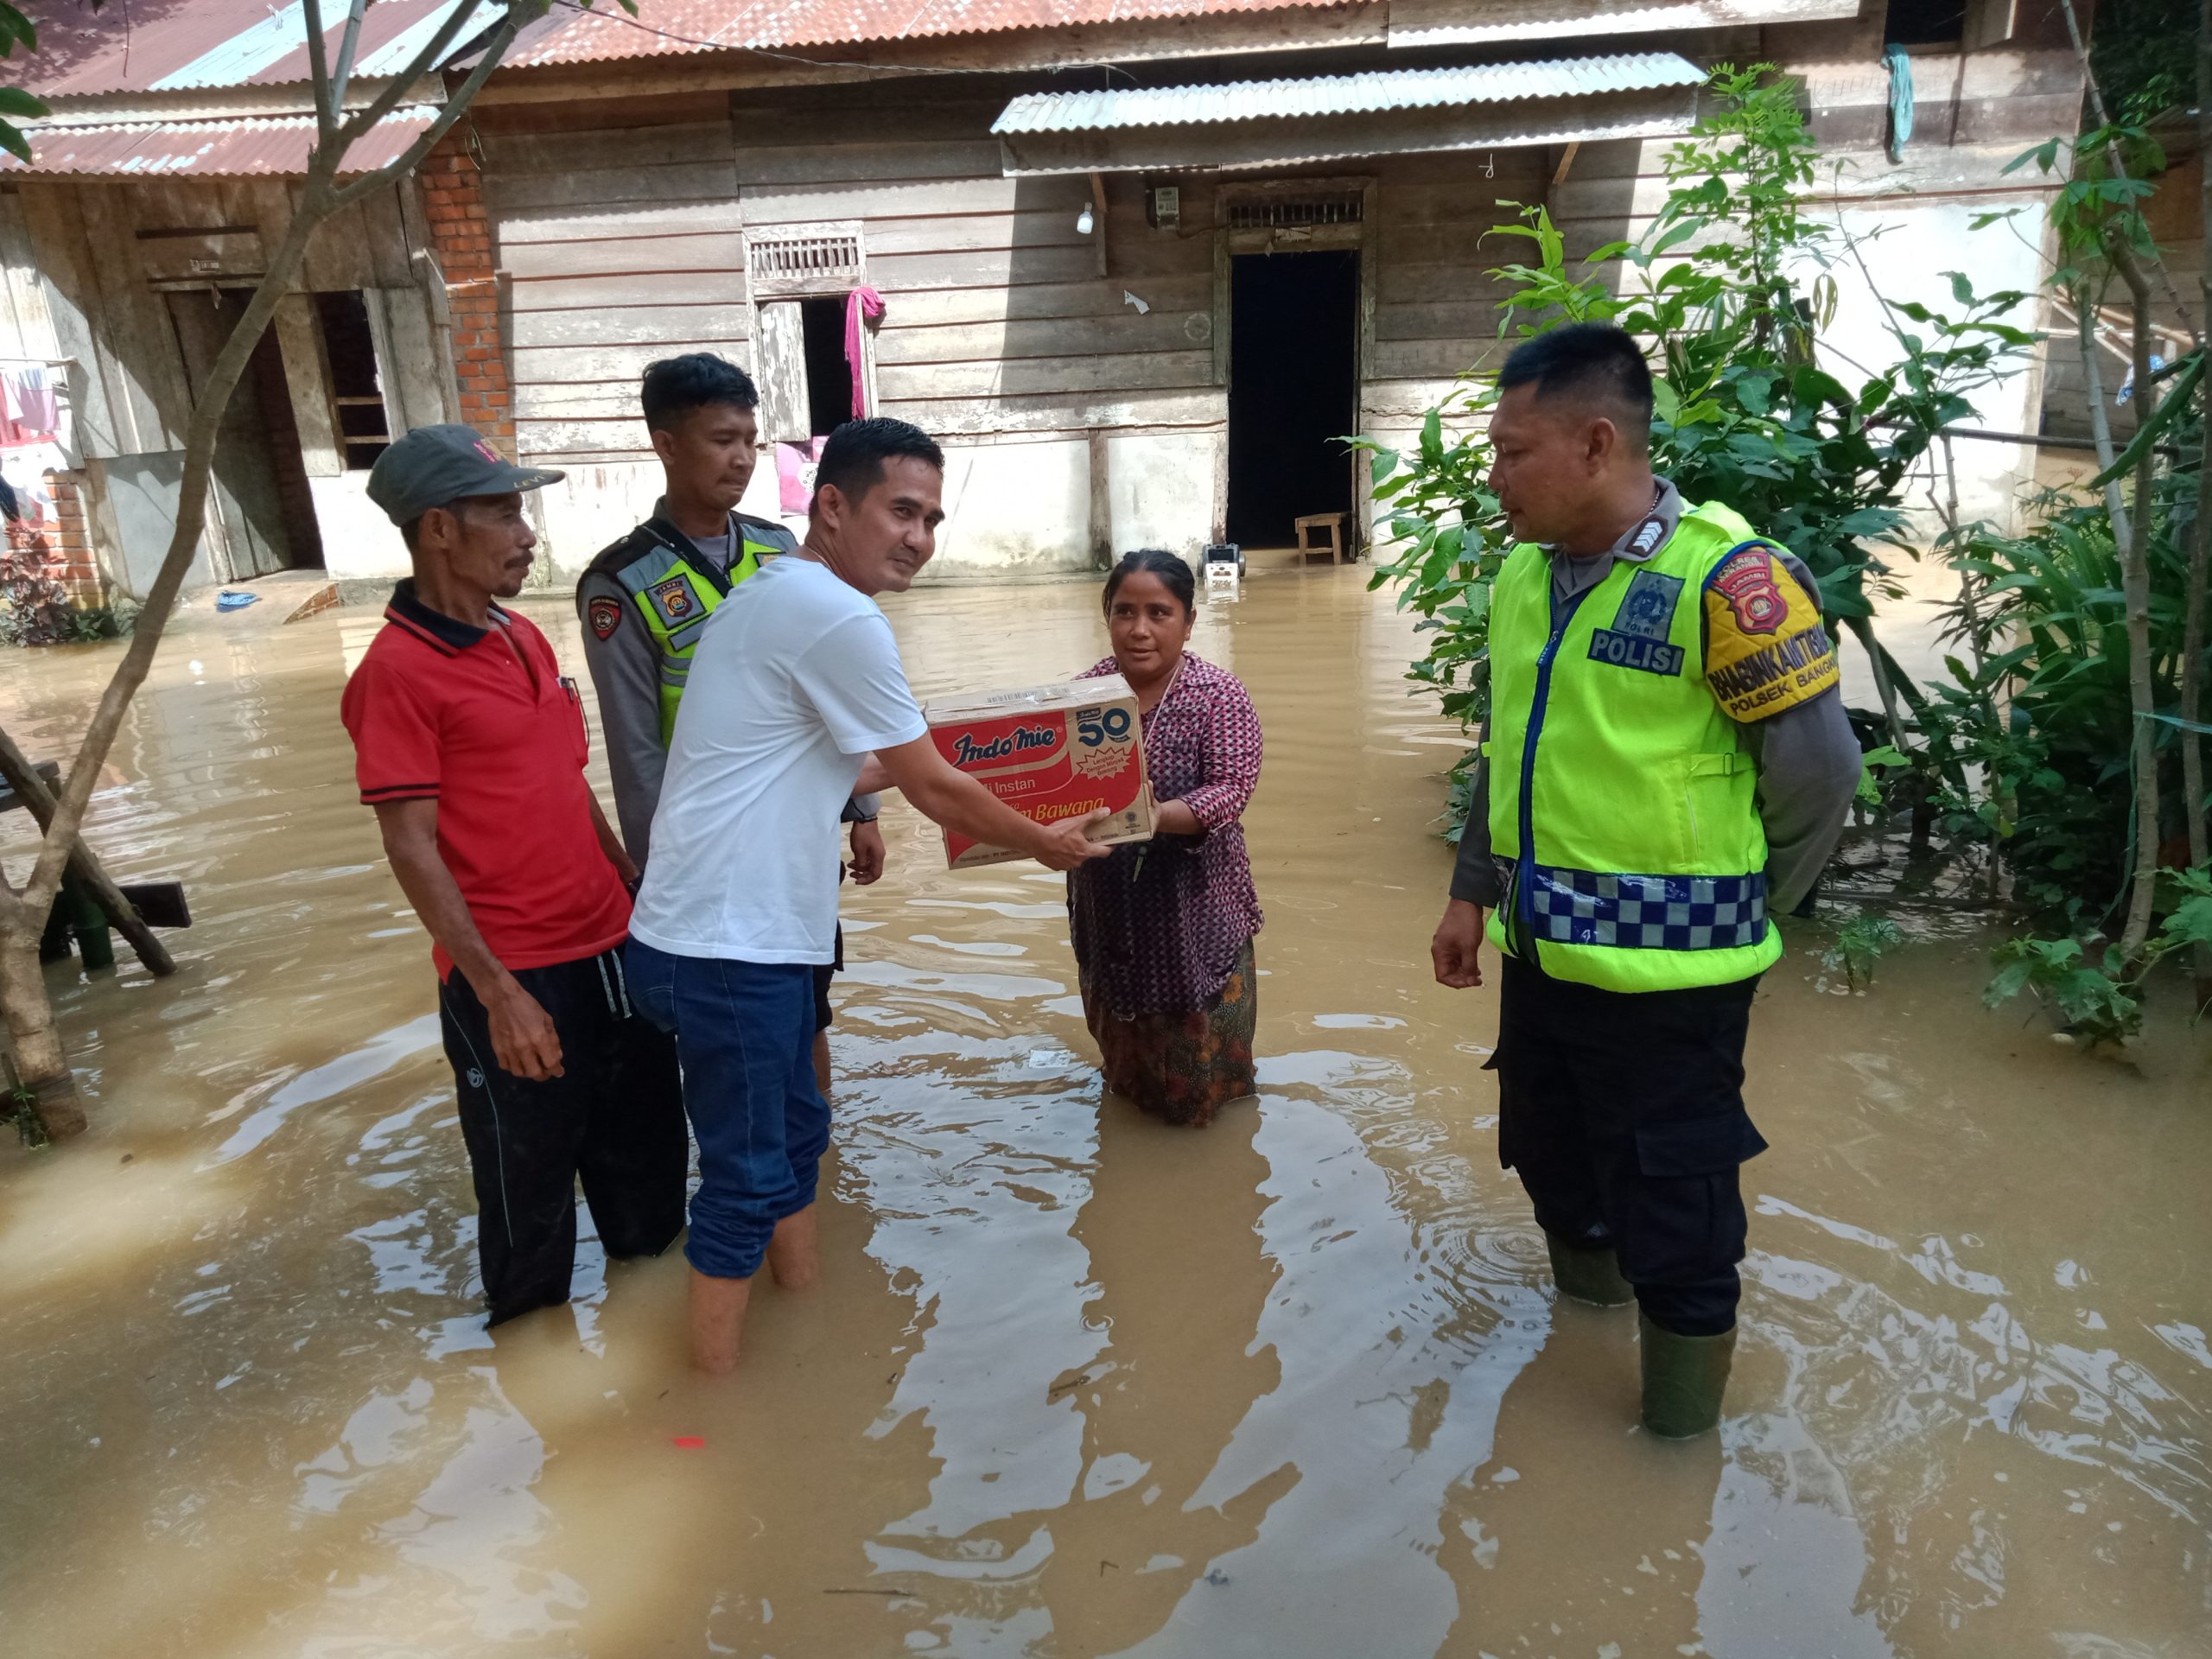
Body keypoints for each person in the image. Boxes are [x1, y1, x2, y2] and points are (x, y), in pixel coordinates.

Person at [1427, 323, 1859, 1439]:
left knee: (1679, 1210)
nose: (1494, 475)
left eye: (1513, 451)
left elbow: (1819, 777)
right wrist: (1471, 891)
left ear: (1597, 442)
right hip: (1544, 956)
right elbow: (1509, 750)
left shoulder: (1731, 578)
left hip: (1676, 990)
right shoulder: (1523, 578)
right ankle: (1587, 1314)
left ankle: (1675, 1445)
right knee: (1549, 1154)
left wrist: (1749, 916)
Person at [623, 416, 1112, 1374]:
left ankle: (805, 1310)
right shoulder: (835, 614)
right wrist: (1046, 841)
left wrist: (1031, 740)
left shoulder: (779, 594)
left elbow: (868, 761)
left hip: (745, 935)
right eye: (900, 510)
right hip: (729, 945)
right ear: (833, 505)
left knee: (799, 1131)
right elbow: (930, 785)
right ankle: (711, 1410)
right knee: (745, 1175)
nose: (919, 538)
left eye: (932, 518)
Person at [339, 424, 686, 1327]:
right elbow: (411, 846)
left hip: (614, 950)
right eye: (501, 513)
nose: (526, 532)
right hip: (516, 976)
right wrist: (498, 994)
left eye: (521, 510)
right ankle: (537, 1401)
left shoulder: (524, 636)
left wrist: (636, 892)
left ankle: (668, 1383)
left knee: (651, 1202)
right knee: (528, 1220)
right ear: (438, 530)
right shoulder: (395, 675)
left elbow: (568, 784)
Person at [575, 353, 880, 1096]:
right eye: (721, 439)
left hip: (795, 838)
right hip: (708, 858)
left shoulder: (780, 549)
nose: (742, 457)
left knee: (809, 1015)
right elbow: (635, 749)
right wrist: (659, 873)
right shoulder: (621, 583)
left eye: (750, 437)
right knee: (731, 1049)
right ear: (666, 443)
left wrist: (862, 812)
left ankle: (818, 1175)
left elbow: (830, 698)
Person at [1068, 550, 1263, 1127]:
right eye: (1125, 612)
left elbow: (1231, 790)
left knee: (1203, 1076)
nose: (1140, 629)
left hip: (1195, 910)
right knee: (1121, 1052)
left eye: (1159, 612)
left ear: (1189, 621)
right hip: (1108, 906)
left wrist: (1158, 815)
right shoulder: (1083, 696)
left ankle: (1206, 1163)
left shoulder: (1217, 696)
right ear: (1107, 617)